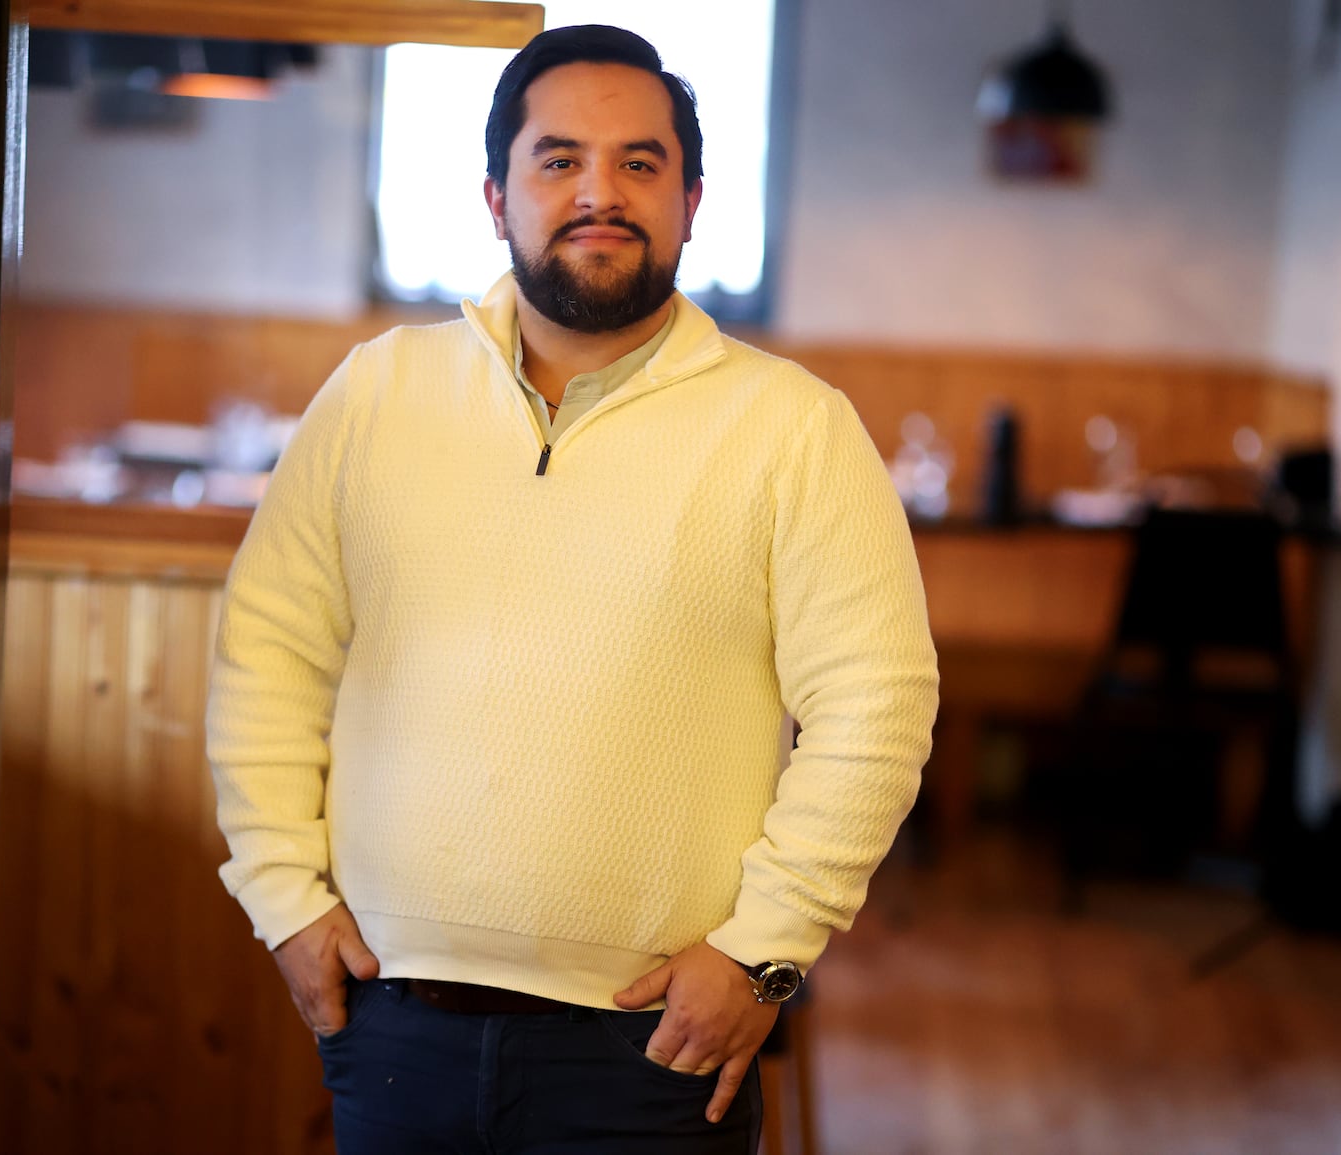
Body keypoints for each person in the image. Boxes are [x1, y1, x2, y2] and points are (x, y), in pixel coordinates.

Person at [207, 23, 937, 1155]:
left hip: (651, 1047)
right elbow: (269, 655)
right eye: (560, 161)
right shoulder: (376, 394)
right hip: (393, 1023)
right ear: (496, 196)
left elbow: (876, 710)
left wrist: (763, 953)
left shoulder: (796, 429)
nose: (602, 192)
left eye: (640, 164)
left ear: (693, 200)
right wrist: (284, 903)